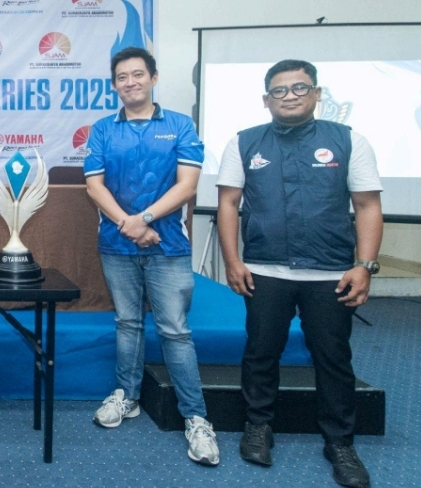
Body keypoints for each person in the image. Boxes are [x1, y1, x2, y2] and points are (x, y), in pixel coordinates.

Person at [216, 60, 382, 488]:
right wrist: (232, 261)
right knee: (260, 352)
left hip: (331, 273)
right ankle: (258, 426)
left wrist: (364, 266)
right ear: (266, 99)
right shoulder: (244, 142)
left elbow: (367, 205)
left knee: (333, 358)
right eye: (279, 90)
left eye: (299, 88)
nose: (289, 96)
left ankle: (340, 443)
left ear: (317, 93)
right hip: (264, 270)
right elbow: (228, 204)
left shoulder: (349, 140)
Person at [84, 47, 220, 466]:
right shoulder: (102, 130)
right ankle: (127, 396)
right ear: (114, 85)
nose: (131, 82)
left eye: (138, 74)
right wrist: (128, 225)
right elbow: (94, 186)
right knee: (127, 323)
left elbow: (187, 186)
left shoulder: (179, 125)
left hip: (168, 246)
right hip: (117, 245)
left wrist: (143, 220)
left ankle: (196, 418)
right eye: (122, 77)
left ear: (153, 78)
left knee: (175, 331)